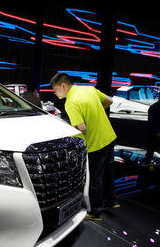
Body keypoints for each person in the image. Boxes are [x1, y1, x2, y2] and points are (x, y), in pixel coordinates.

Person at [50, 73, 118, 221]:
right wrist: (95, 113)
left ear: (63, 85)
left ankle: (95, 212)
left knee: (95, 178)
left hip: (95, 144)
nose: (55, 94)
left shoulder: (71, 102)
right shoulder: (89, 89)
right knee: (108, 172)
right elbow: (109, 101)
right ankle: (110, 201)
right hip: (109, 136)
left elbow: (81, 128)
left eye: (55, 90)